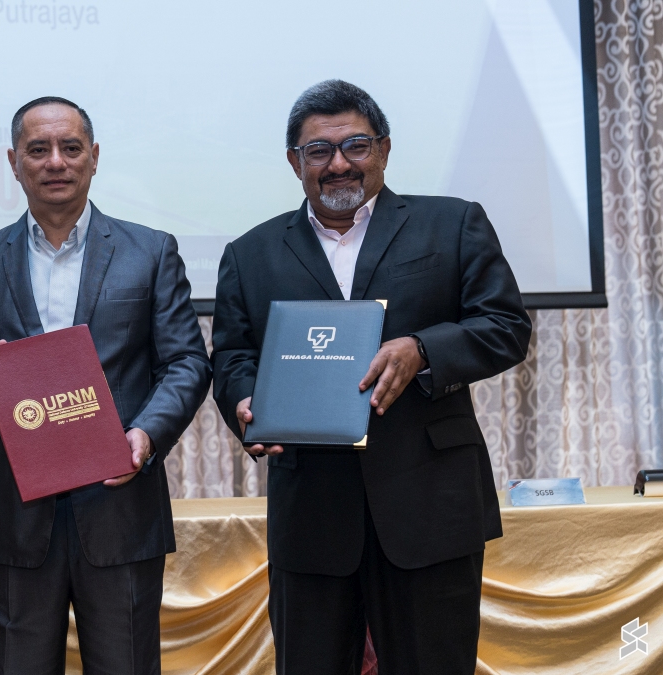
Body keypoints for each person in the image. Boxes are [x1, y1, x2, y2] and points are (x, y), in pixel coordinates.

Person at [211, 80, 531, 675]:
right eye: (319, 151)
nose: (338, 164)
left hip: (428, 505)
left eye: (355, 145)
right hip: (312, 513)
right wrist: (247, 402)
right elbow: (232, 356)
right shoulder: (250, 253)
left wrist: (423, 349)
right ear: (295, 162)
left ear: (383, 148)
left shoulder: (451, 223)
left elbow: (506, 326)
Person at [0, 97, 211, 674]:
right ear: (13, 162)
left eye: (71, 148)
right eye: (38, 149)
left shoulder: (151, 251)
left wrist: (145, 436)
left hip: (120, 505)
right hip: (16, 513)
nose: (55, 162)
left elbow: (187, 362)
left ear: (94, 157)